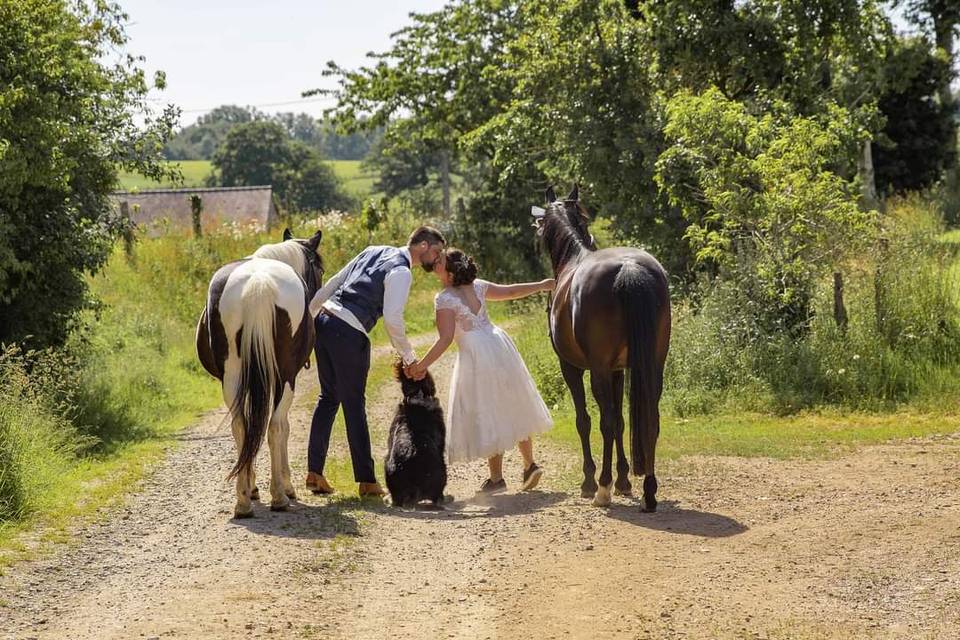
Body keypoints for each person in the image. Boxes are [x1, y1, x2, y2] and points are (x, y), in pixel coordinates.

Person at [305, 226, 446, 497]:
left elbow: (333, 282)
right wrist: (410, 358)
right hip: (349, 332)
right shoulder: (401, 271)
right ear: (424, 246)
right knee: (354, 404)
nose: (438, 258)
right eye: (437, 251)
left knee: (328, 398)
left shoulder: (373, 251)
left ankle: (314, 471)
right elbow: (393, 319)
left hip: (324, 321)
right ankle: (367, 481)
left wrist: (311, 322)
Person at [407, 248, 554, 493]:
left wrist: (421, 366)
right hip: (498, 343)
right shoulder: (478, 286)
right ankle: (529, 464)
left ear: (450, 271)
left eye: (440, 260)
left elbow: (444, 340)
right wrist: (542, 284)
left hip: (476, 352)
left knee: (489, 408)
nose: (435, 262)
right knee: (513, 401)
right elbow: (513, 291)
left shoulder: (444, 299)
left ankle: (497, 479)